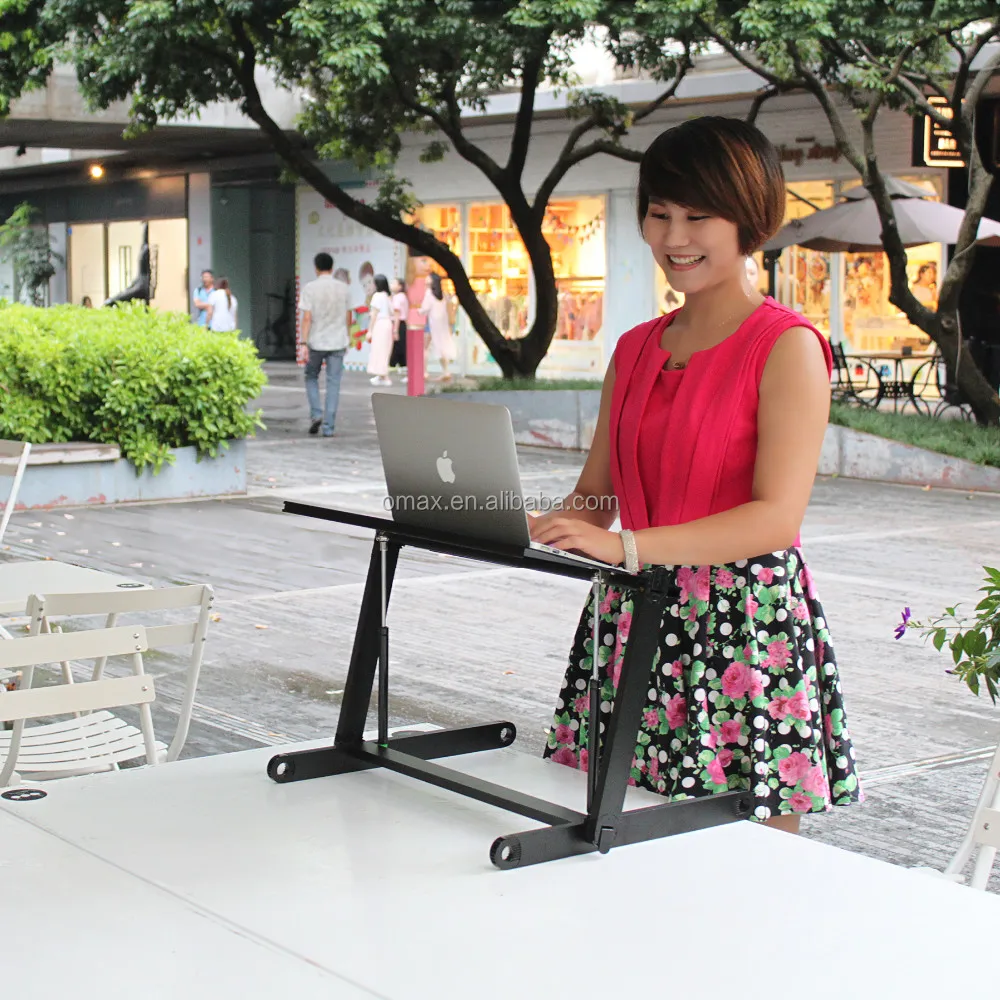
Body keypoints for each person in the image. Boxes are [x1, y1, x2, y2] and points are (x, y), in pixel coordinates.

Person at [530, 116, 862, 833]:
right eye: (659, 214)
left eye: (697, 216)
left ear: (750, 219)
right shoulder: (635, 348)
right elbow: (597, 495)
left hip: (744, 625)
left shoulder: (787, 347)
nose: (674, 238)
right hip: (631, 615)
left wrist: (627, 548)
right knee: (609, 842)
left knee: (745, 870)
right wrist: (516, 521)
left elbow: (776, 517)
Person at [300, 251, 352, 437]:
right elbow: (348, 316)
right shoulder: (343, 288)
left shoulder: (310, 288)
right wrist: (348, 336)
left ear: (316, 267)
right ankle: (329, 427)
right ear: (332, 267)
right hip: (338, 340)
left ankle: (316, 413)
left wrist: (303, 342)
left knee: (311, 376)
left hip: (316, 341)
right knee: (333, 382)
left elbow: (307, 318)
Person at [420, 273, 456, 382]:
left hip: (430, 323)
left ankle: (424, 372)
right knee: (441, 347)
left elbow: (424, 309)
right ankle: (446, 371)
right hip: (441, 324)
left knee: (425, 348)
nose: (426, 279)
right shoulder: (443, 294)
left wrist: (416, 311)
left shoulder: (429, 293)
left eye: (428, 277)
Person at [366, 274, 395, 386]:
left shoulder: (377, 296)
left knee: (379, 349)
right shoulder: (387, 296)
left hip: (380, 324)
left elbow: (374, 315)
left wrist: (370, 331)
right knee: (384, 349)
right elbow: (392, 312)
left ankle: (384, 376)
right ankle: (381, 375)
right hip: (387, 323)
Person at [389, 276, 409, 376]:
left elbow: (397, 314)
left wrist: (395, 330)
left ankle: (392, 365)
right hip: (402, 324)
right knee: (401, 346)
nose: (391, 285)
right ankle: (403, 366)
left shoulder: (398, 297)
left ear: (400, 286)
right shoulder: (403, 296)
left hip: (398, 323)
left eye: (394, 283)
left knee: (396, 346)